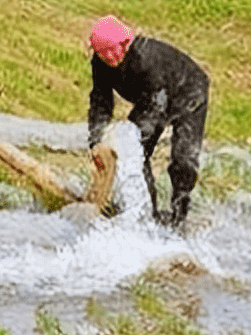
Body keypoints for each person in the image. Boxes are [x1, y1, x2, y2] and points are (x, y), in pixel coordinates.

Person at [87, 15, 209, 228]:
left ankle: (179, 215)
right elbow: (100, 100)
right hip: (149, 98)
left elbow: (155, 107)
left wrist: (133, 136)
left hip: (188, 92)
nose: (109, 57)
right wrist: (96, 139)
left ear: (125, 44)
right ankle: (147, 213)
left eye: (112, 51)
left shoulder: (145, 60)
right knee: (135, 155)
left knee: (183, 157)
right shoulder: (100, 63)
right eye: (102, 53)